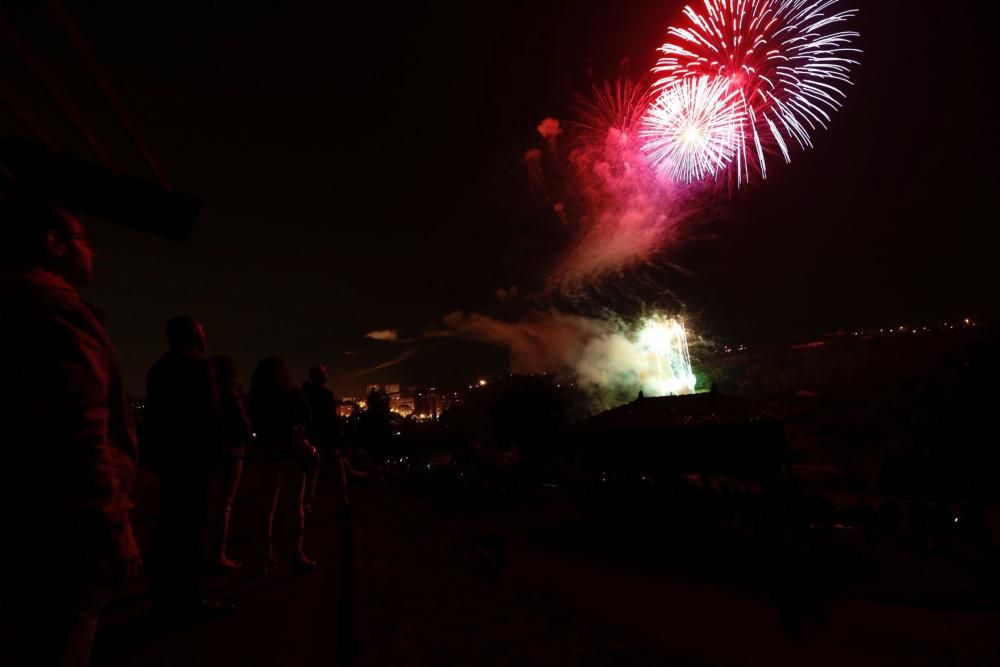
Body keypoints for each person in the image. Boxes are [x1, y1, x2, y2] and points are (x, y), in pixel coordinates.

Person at [0, 198, 141, 666]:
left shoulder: (18, 302)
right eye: (86, 242)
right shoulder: (57, 313)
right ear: (53, 243)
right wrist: (111, 526)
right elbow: (80, 433)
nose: (93, 254)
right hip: (58, 524)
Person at [145, 316, 231, 617]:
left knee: (172, 527)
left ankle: (164, 595)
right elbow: (211, 417)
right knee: (193, 529)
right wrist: (217, 452)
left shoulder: (158, 369)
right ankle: (189, 599)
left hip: (170, 460)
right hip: (196, 460)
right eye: (201, 331)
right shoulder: (198, 368)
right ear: (193, 336)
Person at [250, 357, 316, 570]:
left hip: (265, 452)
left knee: (265, 508)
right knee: (294, 505)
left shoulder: (255, 397)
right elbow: (307, 416)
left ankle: (263, 556)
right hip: (291, 451)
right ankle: (295, 553)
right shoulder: (293, 392)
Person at [211, 355, 253, 569]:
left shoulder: (206, 390)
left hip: (210, 452)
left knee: (211, 502)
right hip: (231, 451)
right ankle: (218, 554)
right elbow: (241, 422)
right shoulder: (230, 391)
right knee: (225, 504)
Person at [301, 364, 337, 512]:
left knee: (308, 469)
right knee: (314, 468)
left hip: (308, 435)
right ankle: (307, 502)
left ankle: (304, 500)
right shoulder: (326, 395)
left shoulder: (304, 392)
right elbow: (331, 419)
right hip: (320, 435)